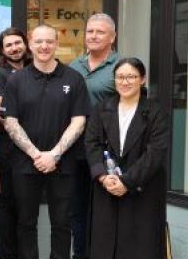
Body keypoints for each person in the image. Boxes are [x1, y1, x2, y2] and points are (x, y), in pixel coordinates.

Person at [1, 24, 90, 259]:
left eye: (49, 41)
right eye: (39, 41)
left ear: (56, 44)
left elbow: (79, 121)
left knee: (62, 223)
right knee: (25, 223)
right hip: (25, 163)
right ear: (30, 44)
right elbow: (10, 122)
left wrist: (54, 155)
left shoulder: (74, 78)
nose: (44, 46)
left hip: (63, 164)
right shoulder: (17, 80)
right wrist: (36, 155)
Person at [84, 58, 169, 259]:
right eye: (120, 77)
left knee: (140, 247)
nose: (125, 82)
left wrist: (127, 181)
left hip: (142, 189)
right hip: (107, 187)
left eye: (131, 76)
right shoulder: (102, 109)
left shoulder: (156, 112)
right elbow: (91, 144)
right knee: (104, 246)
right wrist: (103, 176)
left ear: (142, 80)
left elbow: (155, 152)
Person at [69, 13, 119, 259]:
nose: (93, 36)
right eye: (90, 31)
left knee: (107, 208)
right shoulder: (73, 66)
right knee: (78, 210)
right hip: (77, 150)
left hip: (111, 151)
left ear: (112, 37)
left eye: (100, 32)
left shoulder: (122, 67)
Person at [0, 27, 31, 259]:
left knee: (27, 206)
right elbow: (0, 113)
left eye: (18, 43)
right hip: (11, 148)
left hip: (38, 148)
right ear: (2, 51)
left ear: (25, 44)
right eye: (9, 45)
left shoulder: (35, 71)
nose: (15, 48)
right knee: (10, 202)